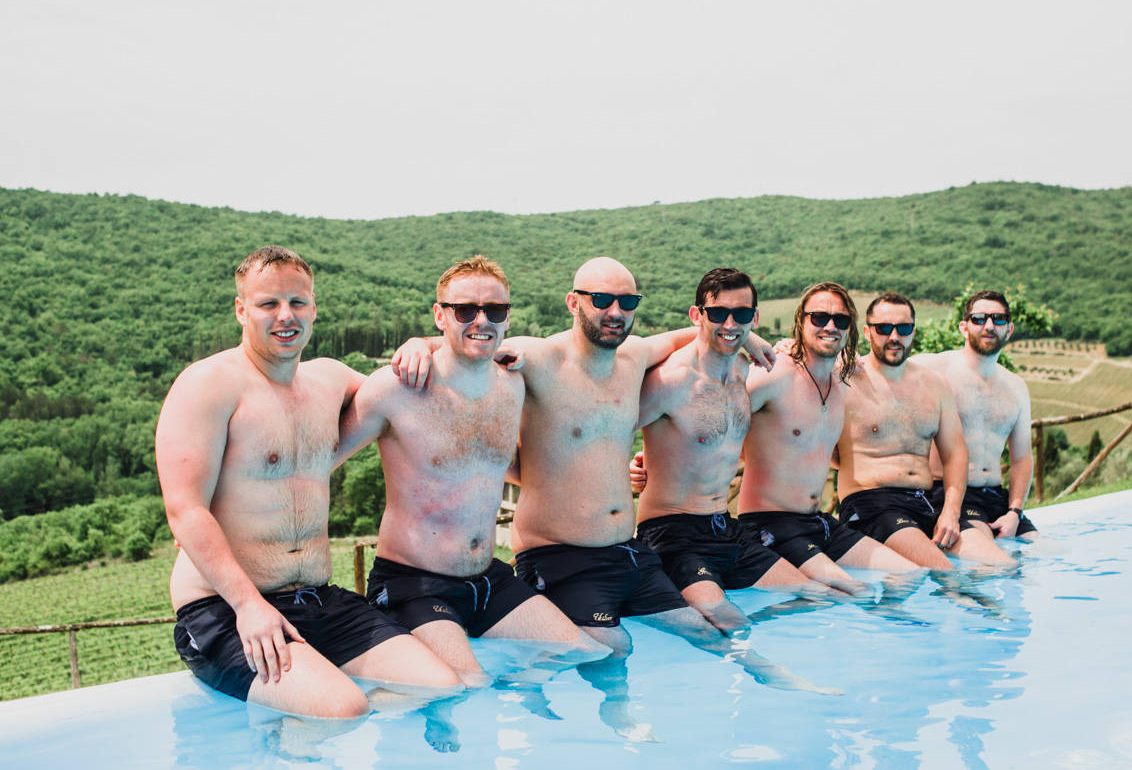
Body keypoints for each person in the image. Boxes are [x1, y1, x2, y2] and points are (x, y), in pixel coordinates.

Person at [393, 257, 832, 698]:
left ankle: (769, 677)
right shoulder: (538, 357)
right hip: (559, 554)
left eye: (627, 301)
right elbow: (474, 334)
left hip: (627, 551)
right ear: (573, 303)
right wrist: (419, 343)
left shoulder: (634, 356)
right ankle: (613, 715)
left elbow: (692, 333)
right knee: (613, 651)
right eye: (601, 300)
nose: (615, 312)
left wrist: (747, 335)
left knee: (712, 630)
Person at [158, 246, 461, 721]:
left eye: (297, 302)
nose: (286, 315)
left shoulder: (330, 379)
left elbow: (400, 395)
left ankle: (306, 714)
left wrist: (421, 343)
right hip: (228, 609)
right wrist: (249, 607)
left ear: (314, 308)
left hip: (320, 600)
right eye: (268, 303)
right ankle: (289, 738)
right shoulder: (208, 384)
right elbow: (185, 510)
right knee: (343, 709)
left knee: (444, 687)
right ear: (241, 310)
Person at [337, 256, 605, 690]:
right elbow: (315, 466)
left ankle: (521, 695)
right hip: (414, 582)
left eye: (494, 310)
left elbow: (502, 464)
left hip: (486, 576)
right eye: (465, 310)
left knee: (587, 652)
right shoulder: (397, 388)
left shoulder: (511, 383)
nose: (482, 320)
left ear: (507, 317)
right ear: (440, 315)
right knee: (467, 686)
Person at [632, 269, 833, 634]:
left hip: (726, 527)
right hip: (673, 533)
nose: (729, 323)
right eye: (718, 313)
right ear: (697, 315)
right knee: (730, 626)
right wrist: (626, 472)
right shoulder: (672, 380)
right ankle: (765, 666)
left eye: (740, 314)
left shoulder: (745, 371)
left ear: (754, 318)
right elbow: (608, 434)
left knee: (819, 596)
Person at [736, 282, 920, 582]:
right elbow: (715, 427)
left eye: (841, 320)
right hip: (770, 523)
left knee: (912, 574)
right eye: (819, 317)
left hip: (817, 522)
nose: (830, 326)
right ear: (801, 321)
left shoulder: (841, 379)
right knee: (853, 592)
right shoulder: (772, 375)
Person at [835, 292, 1014, 569]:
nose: (894, 336)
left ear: (914, 331)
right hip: (871, 503)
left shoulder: (934, 384)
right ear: (868, 332)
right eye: (884, 328)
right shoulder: (843, 379)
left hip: (926, 504)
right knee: (945, 571)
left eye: (903, 328)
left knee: (1003, 566)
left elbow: (955, 454)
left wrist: (951, 512)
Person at [909, 290, 1038, 541]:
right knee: (991, 558)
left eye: (998, 319)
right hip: (951, 494)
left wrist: (1015, 512)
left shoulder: (1016, 387)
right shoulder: (934, 368)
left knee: (1046, 553)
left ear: (1009, 329)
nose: (989, 325)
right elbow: (882, 363)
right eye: (979, 318)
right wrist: (850, 362)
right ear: (964, 327)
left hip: (997, 497)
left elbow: (1022, 459)